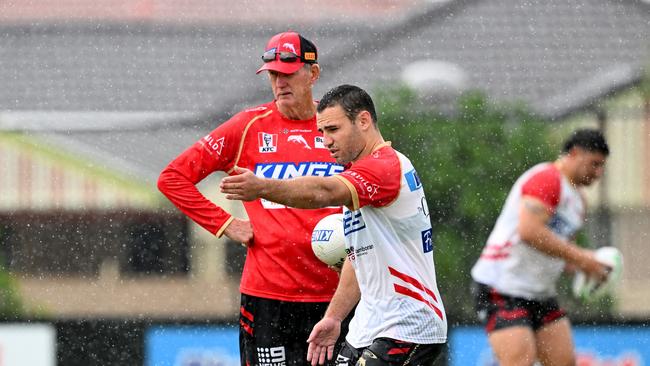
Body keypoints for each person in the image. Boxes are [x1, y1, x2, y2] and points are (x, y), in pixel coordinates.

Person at [220, 84, 448, 366]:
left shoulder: (384, 167)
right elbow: (358, 257)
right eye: (322, 132)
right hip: (368, 324)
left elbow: (324, 191)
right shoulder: (359, 174)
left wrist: (263, 186)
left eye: (334, 129)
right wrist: (334, 317)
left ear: (363, 121)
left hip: (408, 323)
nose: (326, 141)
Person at [157, 31, 347, 365]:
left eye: (287, 73)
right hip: (268, 298)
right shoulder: (247, 126)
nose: (279, 82)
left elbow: (374, 179)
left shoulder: (337, 125)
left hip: (338, 296)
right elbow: (172, 178)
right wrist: (225, 223)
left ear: (313, 74)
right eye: (273, 74)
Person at [470, 128, 611, 366]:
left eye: (602, 167)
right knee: (520, 362)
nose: (598, 173)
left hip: (540, 293)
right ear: (574, 154)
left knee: (563, 361)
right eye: (594, 164)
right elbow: (530, 231)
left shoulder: (579, 202)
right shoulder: (548, 179)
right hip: (502, 287)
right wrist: (583, 258)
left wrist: (588, 268)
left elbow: (561, 252)